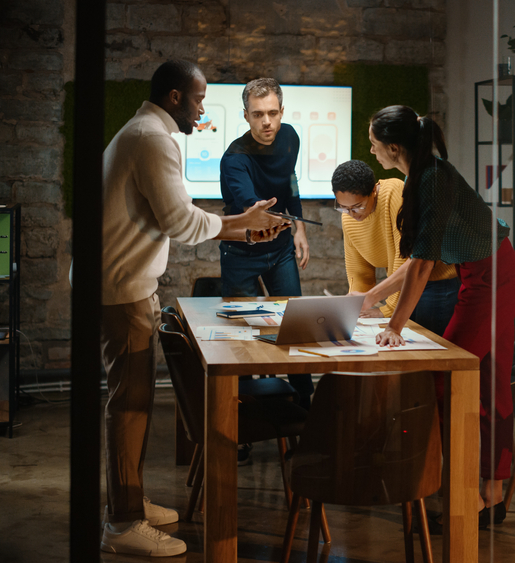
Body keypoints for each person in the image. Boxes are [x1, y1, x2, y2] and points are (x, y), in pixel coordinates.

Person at [100, 60, 289, 557]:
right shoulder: (152, 138)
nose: (203, 109)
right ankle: (122, 522)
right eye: (200, 98)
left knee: (133, 404)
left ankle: (129, 502)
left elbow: (174, 220)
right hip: (122, 289)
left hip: (124, 285)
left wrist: (241, 225)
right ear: (176, 97)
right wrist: (240, 225)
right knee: (129, 407)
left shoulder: (141, 132)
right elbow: (180, 222)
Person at [367, 106, 515, 528]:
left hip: (492, 279)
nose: (371, 150)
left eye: (374, 143)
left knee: (446, 380)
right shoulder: (423, 175)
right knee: (489, 385)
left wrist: (394, 325)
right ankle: (490, 495)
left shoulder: (431, 179)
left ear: (393, 147)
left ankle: (464, 495)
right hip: (489, 275)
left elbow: (423, 264)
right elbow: (418, 259)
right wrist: (374, 297)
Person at [218, 78, 314, 420]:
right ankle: (240, 421)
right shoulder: (234, 158)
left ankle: (305, 410)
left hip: (282, 249)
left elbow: (290, 182)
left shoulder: (290, 137)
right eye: (258, 114)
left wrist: (299, 228)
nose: (267, 122)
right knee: (242, 337)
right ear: (246, 116)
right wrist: (267, 215)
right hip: (241, 252)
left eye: (272, 113)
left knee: (295, 329)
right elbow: (251, 209)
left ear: (282, 112)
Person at [330, 159, 459, 336]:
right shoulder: (348, 218)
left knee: (429, 344)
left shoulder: (394, 193)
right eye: (344, 208)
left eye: (358, 207)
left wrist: (388, 309)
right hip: (402, 284)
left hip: (435, 282)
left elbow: (404, 257)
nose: (352, 214)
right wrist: (355, 306)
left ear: (373, 191)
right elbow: (359, 272)